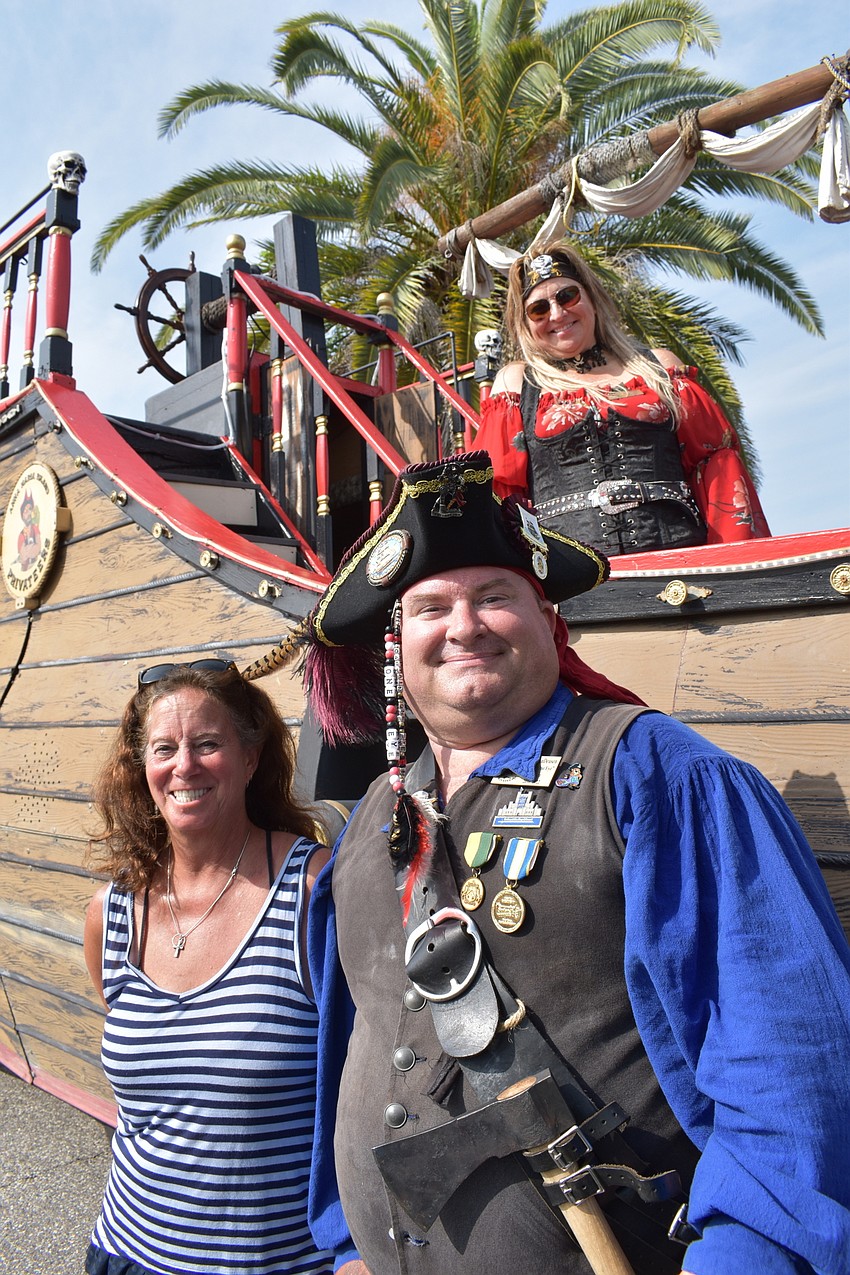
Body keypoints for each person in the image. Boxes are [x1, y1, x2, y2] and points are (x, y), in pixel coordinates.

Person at [297, 452, 850, 1275]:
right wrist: (347, 1244)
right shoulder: (373, 816)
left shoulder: (660, 775)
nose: (464, 625)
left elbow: (791, 1071)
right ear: (395, 644)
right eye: (431, 607)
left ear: (549, 620)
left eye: (495, 597)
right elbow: (363, 1041)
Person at [83, 658, 334, 1275]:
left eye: (208, 744)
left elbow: (377, 1071)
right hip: (128, 1252)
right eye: (163, 748)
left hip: (280, 1263)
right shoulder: (112, 912)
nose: (184, 766)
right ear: (142, 770)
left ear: (251, 759)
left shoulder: (314, 889)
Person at [474, 243, 770, 554]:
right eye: (539, 309)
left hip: (679, 560)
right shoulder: (517, 384)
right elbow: (499, 495)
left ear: (592, 299)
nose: (557, 314)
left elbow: (716, 466)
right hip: (573, 579)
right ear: (526, 324)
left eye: (567, 296)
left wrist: (733, 562)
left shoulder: (659, 367)